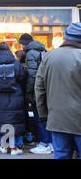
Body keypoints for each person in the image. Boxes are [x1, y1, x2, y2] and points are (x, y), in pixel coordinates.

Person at [35, 23, 81, 159]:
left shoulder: (49, 57)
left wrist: (44, 115)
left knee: (61, 154)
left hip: (57, 119)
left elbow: (39, 89)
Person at [0, 42, 26, 156]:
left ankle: (4, 146)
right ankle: (13, 147)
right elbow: (21, 76)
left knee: (2, 120)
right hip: (14, 95)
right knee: (12, 122)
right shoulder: (15, 63)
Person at [19, 33, 53, 154]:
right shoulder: (43, 50)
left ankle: (45, 144)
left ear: (24, 43)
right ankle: (50, 143)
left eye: (21, 44)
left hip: (37, 91)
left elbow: (32, 75)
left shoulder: (30, 53)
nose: (21, 46)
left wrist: (28, 94)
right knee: (46, 117)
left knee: (39, 117)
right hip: (46, 89)